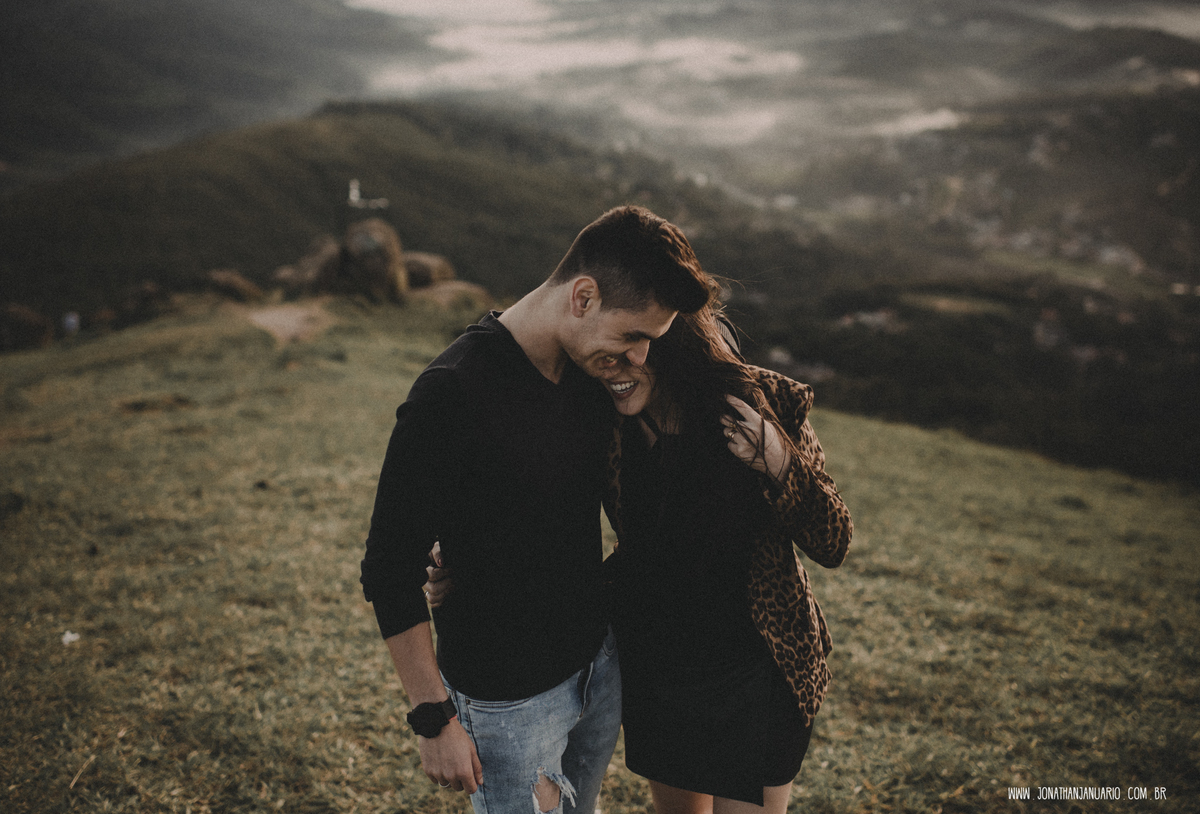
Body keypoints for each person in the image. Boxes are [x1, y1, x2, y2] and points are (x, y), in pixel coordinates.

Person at [359, 205, 713, 813]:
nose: (638, 359)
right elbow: (388, 568)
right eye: (632, 337)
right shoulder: (451, 393)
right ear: (582, 297)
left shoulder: (588, 372)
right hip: (508, 703)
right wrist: (434, 718)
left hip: (597, 668)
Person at [599, 301, 853, 813]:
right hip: (660, 671)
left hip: (757, 669)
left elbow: (834, 540)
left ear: (670, 345)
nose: (614, 372)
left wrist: (780, 463)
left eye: (631, 354)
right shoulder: (602, 420)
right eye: (605, 357)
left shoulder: (763, 403)